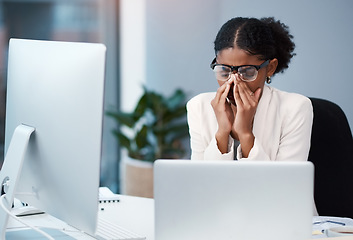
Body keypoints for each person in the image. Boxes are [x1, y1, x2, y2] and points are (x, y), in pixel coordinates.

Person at [187, 17, 313, 161]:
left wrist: (245, 133)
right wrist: (222, 132)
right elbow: (202, 179)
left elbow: (284, 181)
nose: (233, 81)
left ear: (270, 68)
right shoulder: (198, 107)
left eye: (247, 72)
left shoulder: (295, 108)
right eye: (224, 70)